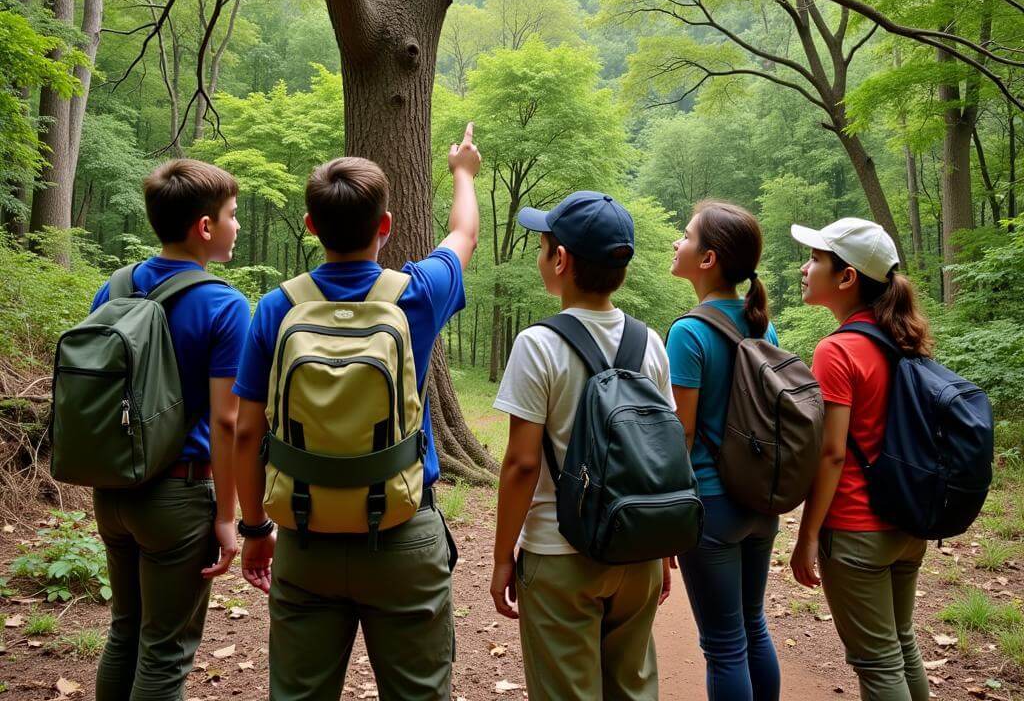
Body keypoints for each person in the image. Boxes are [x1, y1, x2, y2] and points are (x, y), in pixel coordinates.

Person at [232, 124, 481, 701]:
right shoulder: (417, 292)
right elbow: (463, 233)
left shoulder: (276, 307)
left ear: (311, 225)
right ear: (385, 227)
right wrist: (462, 172)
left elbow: (246, 431)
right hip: (403, 530)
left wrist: (254, 528)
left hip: (303, 534)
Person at [490, 191, 674, 701]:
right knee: (633, 688)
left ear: (561, 260)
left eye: (543, 244)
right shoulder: (650, 342)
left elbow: (522, 464)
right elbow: (661, 456)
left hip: (558, 553)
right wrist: (660, 552)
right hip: (635, 548)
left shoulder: (538, 344)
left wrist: (504, 556)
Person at [91, 159, 250, 701]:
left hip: (113, 489)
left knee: (125, 632)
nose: (237, 225)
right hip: (178, 497)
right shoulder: (225, 305)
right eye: (231, 215)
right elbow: (227, 422)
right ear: (204, 227)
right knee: (165, 650)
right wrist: (229, 519)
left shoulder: (112, 288)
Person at [789, 218, 931, 701]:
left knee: (877, 664)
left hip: (855, 530)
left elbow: (831, 454)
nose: (805, 269)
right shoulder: (904, 339)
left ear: (847, 277)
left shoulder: (837, 350)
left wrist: (808, 536)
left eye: (815, 260)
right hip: (909, 521)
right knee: (902, 646)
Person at [666, 200, 781, 701]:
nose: (677, 242)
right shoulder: (763, 326)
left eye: (686, 236)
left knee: (724, 646)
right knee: (753, 626)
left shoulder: (689, 332)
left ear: (709, 259)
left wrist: (668, 514)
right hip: (760, 499)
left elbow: (682, 435)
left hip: (711, 506)